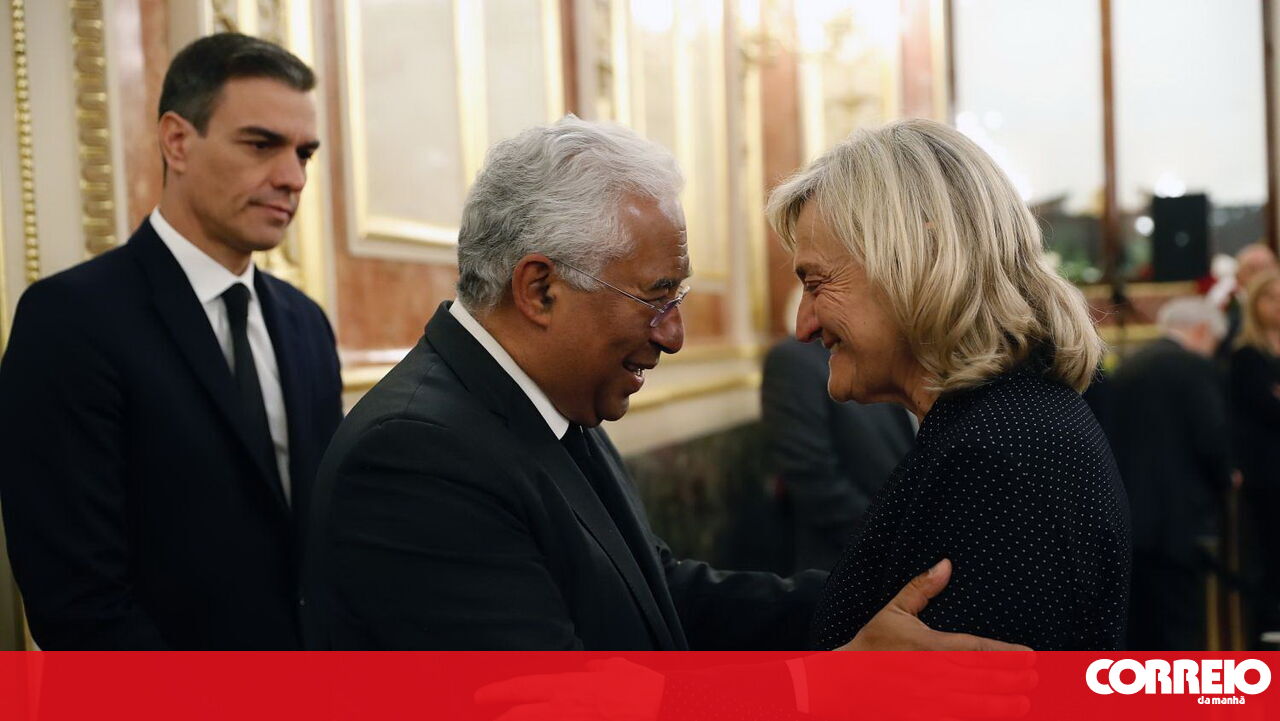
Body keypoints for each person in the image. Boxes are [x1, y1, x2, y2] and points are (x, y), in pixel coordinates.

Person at [302, 117, 1025, 654]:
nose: (674, 334)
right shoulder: (417, 456)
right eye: (656, 297)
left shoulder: (542, 402)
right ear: (541, 289)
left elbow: (657, 595)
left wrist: (876, 605)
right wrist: (837, 682)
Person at [0, 33, 342, 649]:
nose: (293, 177)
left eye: (304, 153)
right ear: (177, 141)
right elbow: (76, 601)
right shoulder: (70, 319)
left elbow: (323, 544)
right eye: (261, 144)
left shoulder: (306, 324)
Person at [766, 118, 1131, 651]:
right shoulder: (1001, 425)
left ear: (918, 261)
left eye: (817, 283)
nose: (804, 325)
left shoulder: (1000, 454)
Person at [1107, 297, 1232, 649]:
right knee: (1178, 627)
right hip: (1177, 518)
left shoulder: (1130, 365)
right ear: (1203, 330)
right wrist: (1227, 476)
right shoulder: (1193, 366)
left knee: (1141, 627)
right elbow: (1211, 438)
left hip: (1128, 514)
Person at [762, 289, 914, 572]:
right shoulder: (794, 360)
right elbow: (814, 478)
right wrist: (898, 545)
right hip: (844, 567)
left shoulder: (884, 355)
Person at [1229, 267, 1280, 633]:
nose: (1277, 305)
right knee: (1270, 555)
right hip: (1267, 472)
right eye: (1270, 298)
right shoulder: (1247, 355)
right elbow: (1264, 408)